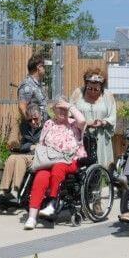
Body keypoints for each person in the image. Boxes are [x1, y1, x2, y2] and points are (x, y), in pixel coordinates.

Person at [24, 97, 86, 230]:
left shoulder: (74, 123)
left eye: (65, 109)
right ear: (53, 110)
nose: (63, 111)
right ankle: (32, 217)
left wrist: (69, 106)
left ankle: (52, 205)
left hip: (70, 160)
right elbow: (42, 143)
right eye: (60, 108)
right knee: (40, 176)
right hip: (49, 159)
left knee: (58, 168)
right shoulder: (48, 124)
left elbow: (83, 121)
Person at [0, 104, 43, 203]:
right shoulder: (24, 126)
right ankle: (2, 192)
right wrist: (30, 146)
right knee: (11, 158)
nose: (33, 122)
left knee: (20, 159)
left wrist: (37, 146)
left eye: (35, 119)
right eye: (30, 120)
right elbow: (21, 146)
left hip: (39, 156)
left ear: (40, 116)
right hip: (27, 153)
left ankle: (15, 191)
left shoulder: (46, 126)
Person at [70, 67, 117, 168]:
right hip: (80, 136)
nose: (93, 91)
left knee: (101, 166)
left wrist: (103, 122)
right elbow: (70, 114)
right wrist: (85, 123)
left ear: (101, 87)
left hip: (101, 137)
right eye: (90, 88)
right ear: (86, 84)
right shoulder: (78, 93)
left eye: (96, 89)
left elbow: (112, 116)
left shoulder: (108, 95)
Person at [18, 54, 48, 121]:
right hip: (33, 129)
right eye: (43, 66)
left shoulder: (37, 84)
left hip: (41, 126)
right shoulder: (27, 85)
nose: (44, 69)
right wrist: (32, 123)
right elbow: (22, 107)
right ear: (39, 67)